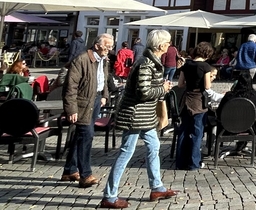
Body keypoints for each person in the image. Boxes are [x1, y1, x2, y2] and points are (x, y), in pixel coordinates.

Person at [100, 29, 178, 209]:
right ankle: (109, 196)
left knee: (154, 146)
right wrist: (163, 89)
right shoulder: (146, 63)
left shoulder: (152, 61)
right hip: (135, 115)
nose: (170, 45)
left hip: (145, 116)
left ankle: (156, 186)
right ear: (161, 45)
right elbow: (143, 92)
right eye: (168, 42)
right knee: (126, 152)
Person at [61, 33, 113, 187]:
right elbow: (70, 87)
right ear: (97, 45)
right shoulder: (82, 60)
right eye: (107, 46)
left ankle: (69, 170)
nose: (109, 49)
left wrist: (104, 95)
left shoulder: (103, 59)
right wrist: (71, 109)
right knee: (86, 135)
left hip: (96, 100)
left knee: (80, 136)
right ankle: (85, 174)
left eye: (111, 46)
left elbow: (103, 78)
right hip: (82, 103)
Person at [175, 42, 215, 170]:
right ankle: (194, 163)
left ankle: (180, 162)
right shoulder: (206, 66)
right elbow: (207, 86)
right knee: (197, 133)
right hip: (199, 101)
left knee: (184, 131)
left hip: (187, 99)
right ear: (207, 54)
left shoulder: (186, 65)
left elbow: (180, 84)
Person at [217, 70, 256, 156]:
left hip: (227, 129)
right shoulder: (255, 95)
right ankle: (242, 146)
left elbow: (219, 112)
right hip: (248, 129)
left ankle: (238, 146)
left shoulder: (229, 95)